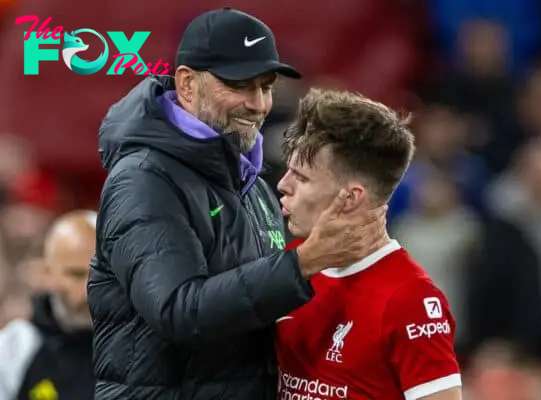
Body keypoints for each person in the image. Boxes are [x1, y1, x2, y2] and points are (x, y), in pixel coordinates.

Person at [88, 7, 386, 400]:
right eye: (241, 85)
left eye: (266, 86)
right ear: (188, 84)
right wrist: (306, 262)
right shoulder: (144, 179)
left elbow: (262, 310)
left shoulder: (254, 186)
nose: (260, 104)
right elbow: (179, 310)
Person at [275, 88, 462, 400]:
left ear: (351, 198)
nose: (283, 184)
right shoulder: (289, 266)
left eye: (302, 178)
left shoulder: (409, 299)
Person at [0, 210, 96, 400]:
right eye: (76, 274)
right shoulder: (15, 350)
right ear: (47, 271)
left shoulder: (144, 345)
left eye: (101, 276)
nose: (88, 291)